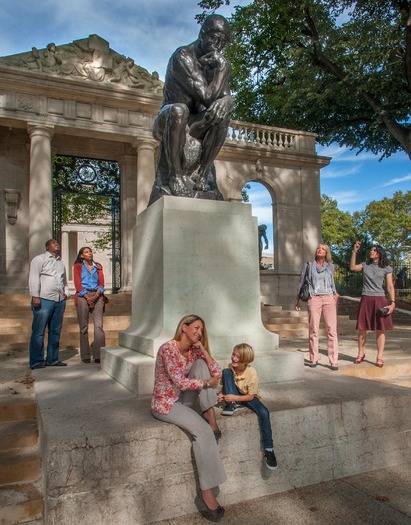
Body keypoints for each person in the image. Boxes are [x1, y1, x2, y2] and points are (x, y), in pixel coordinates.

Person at [150, 14, 233, 202]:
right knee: (180, 110)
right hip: (169, 120)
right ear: (202, 33)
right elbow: (207, 97)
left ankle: (203, 174)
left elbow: (223, 99)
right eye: (214, 37)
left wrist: (229, 101)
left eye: (223, 41)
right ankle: (175, 176)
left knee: (223, 116)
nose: (217, 45)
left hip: (194, 123)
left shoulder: (216, 62)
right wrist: (222, 69)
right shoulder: (183, 57)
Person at [151, 314, 226, 521]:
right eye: (195, 328)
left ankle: (210, 415)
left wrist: (203, 350)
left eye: (201, 329)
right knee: (202, 432)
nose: (199, 332)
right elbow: (180, 382)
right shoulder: (168, 349)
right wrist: (205, 384)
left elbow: (217, 373)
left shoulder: (193, 352)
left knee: (202, 366)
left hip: (183, 400)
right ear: (183, 327)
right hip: (166, 404)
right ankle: (206, 492)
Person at [218, 343, 278, 470]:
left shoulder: (252, 373)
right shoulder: (230, 368)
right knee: (225, 372)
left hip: (248, 396)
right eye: (233, 354)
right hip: (234, 396)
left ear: (245, 360)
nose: (233, 358)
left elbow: (251, 396)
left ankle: (269, 450)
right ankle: (231, 405)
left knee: (264, 412)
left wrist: (235, 398)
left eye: (238, 357)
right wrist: (223, 394)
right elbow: (226, 384)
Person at [350, 241, 395, 367]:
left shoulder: (387, 268)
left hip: (380, 299)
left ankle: (379, 356)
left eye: (374, 250)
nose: (371, 252)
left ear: (379, 253)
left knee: (381, 329)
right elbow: (353, 268)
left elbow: (390, 286)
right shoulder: (365, 265)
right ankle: (361, 354)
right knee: (362, 329)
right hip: (366, 298)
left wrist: (392, 303)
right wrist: (355, 251)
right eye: (371, 250)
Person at [295, 243, 339, 370]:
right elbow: (301, 282)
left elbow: (332, 282)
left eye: (322, 249)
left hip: (329, 298)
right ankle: (313, 358)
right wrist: (297, 300)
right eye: (318, 249)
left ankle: (333, 360)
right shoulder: (308, 265)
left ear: (326, 253)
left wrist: (335, 294)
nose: (320, 250)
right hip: (314, 298)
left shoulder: (330, 266)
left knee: (332, 330)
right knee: (313, 329)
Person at [28, 239, 70, 369]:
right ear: (47, 247)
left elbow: (64, 280)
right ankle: (37, 360)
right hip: (44, 299)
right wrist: (35, 295)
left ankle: (52, 359)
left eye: (57, 243)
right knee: (39, 331)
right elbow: (34, 277)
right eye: (53, 243)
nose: (56, 244)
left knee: (55, 331)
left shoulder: (61, 263)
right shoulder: (39, 259)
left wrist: (66, 292)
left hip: (59, 300)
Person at [73, 247, 106, 364]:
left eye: (90, 251)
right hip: (83, 295)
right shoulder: (78, 266)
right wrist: (87, 297)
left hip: (97, 295)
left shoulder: (98, 266)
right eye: (86, 252)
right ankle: (85, 355)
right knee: (83, 327)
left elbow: (101, 283)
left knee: (99, 326)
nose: (90, 253)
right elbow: (77, 284)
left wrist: (96, 296)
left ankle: (99, 355)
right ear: (81, 255)